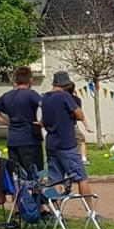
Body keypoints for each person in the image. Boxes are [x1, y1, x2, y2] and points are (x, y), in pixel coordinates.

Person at [39, 72, 93, 202]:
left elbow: (44, 120)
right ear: (65, 84)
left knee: (56, 180)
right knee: (81, 178)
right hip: (67, 144)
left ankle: (57, 213)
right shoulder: (65, 96)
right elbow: (80, 115)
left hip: (51, 143)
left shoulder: (45, 98)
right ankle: (91, 213)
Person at [0, 66, 45, 178]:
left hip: (13, 140)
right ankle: (34, 195)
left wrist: (8, 122)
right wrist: (42, 122)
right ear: (30, 80)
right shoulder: (31, 94)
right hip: (30, 139)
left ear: (16, 80)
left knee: (16, 175)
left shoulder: (7, 96)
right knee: (34, 174)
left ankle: (18, 195)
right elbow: (46, 106)